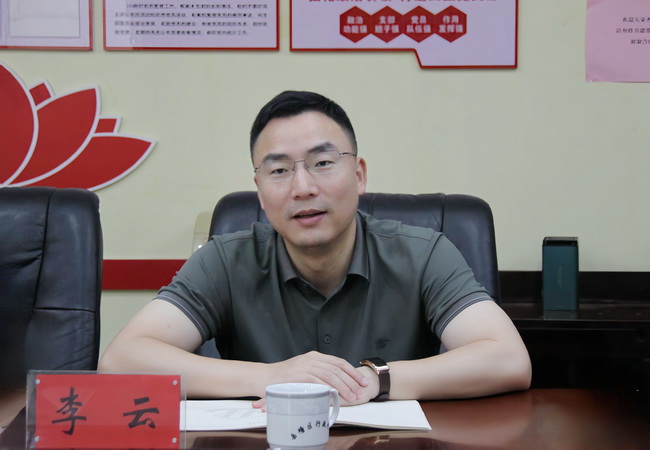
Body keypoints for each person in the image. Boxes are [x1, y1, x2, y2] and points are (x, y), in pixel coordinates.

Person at [99, 91, 531, 405]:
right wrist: (272, 377)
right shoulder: (225, 261)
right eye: (279, 170)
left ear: (359, 175)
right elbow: (120, 361)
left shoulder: (424, 254)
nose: (302, 187)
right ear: (260, 191)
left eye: (323, 163)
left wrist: (373, 380)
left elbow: (508, 359)